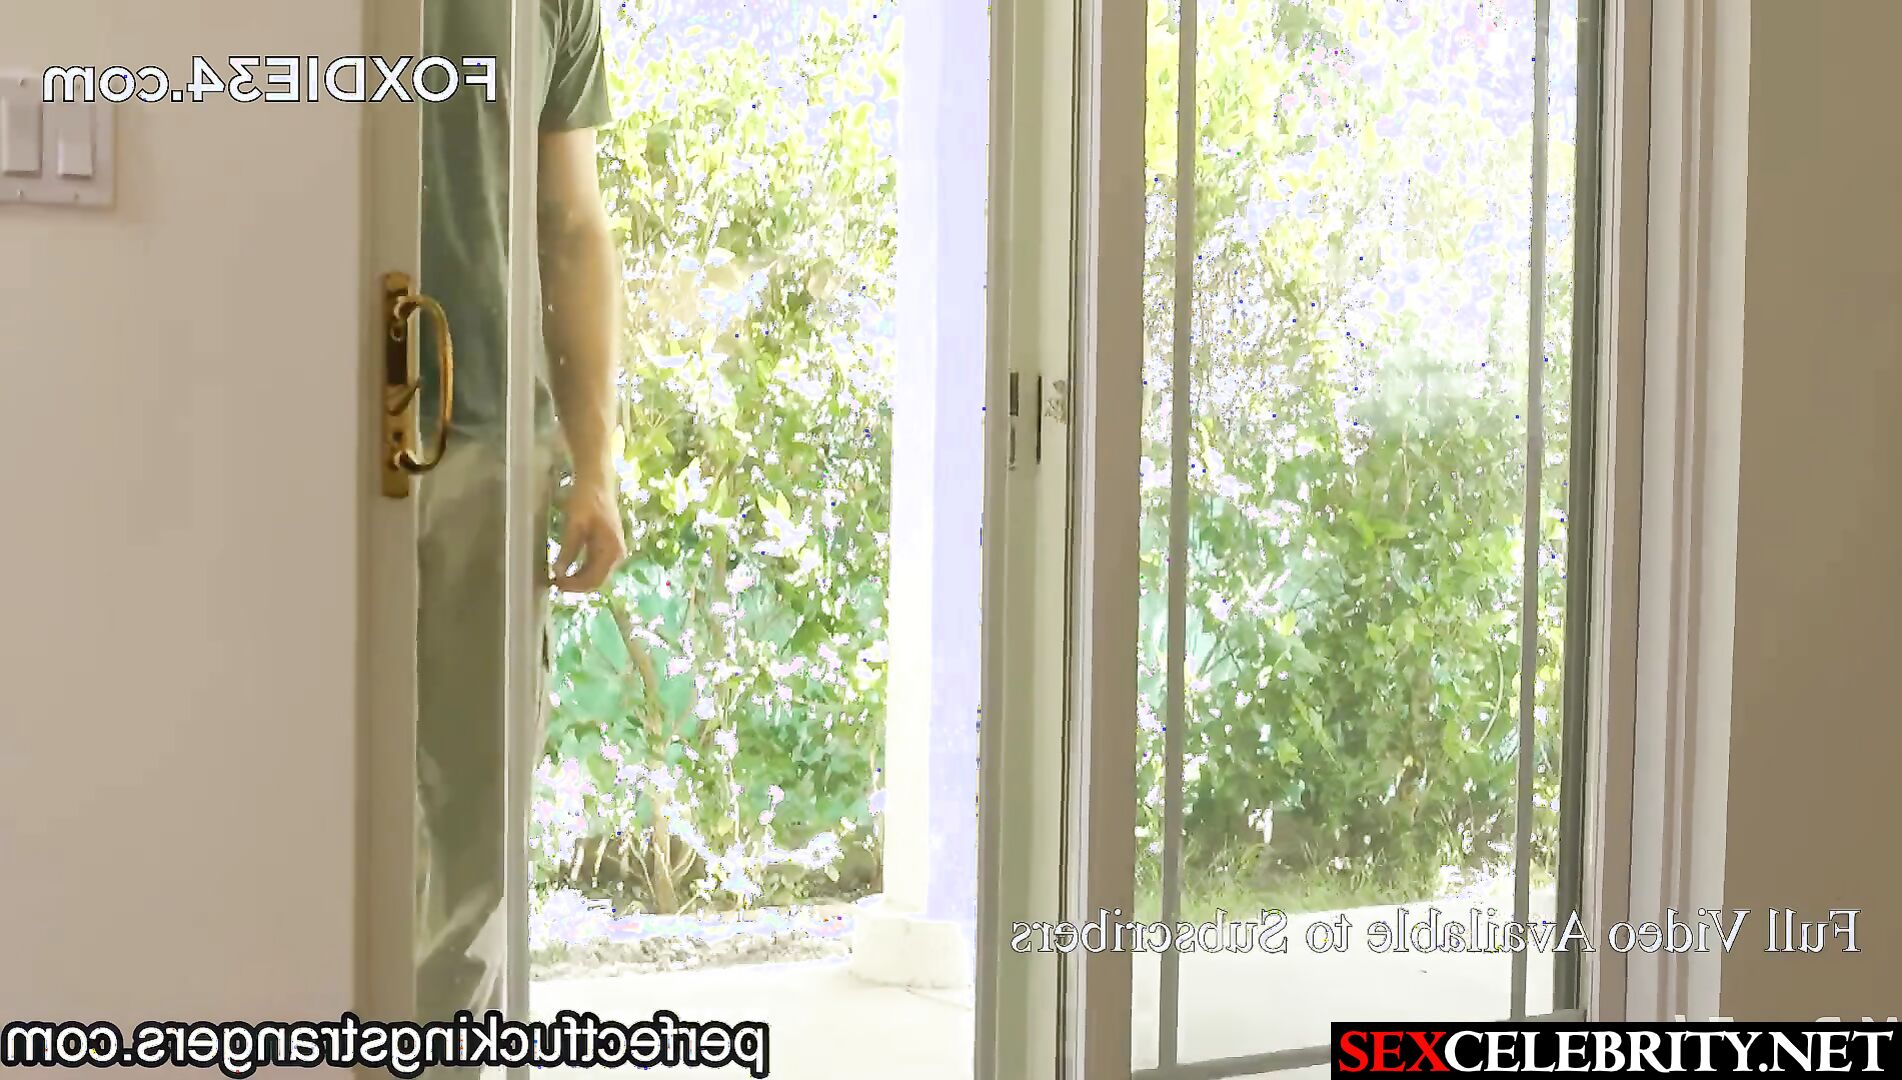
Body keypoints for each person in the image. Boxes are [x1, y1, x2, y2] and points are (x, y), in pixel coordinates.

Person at [412, 0, 627, 1029]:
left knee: (476, 844)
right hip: (307, 454)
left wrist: (596, 467)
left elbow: (571, 225)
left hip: (489, 447)